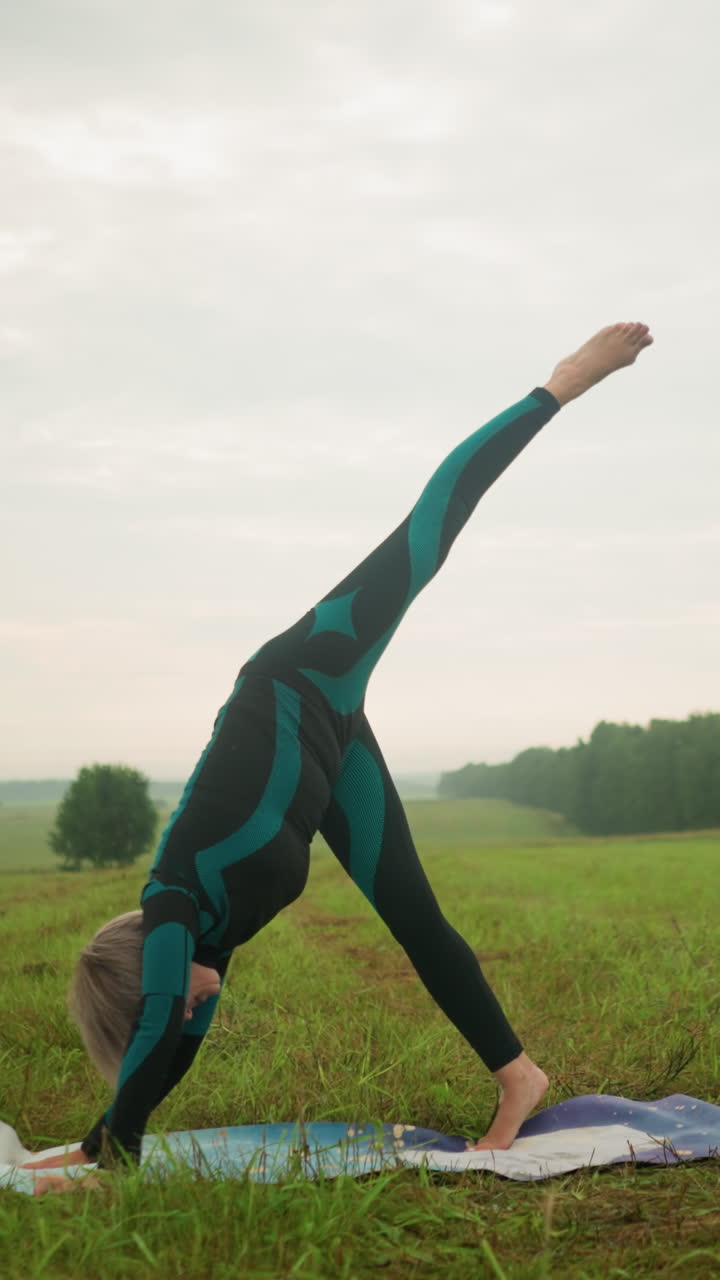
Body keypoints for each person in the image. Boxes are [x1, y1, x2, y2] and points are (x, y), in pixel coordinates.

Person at [54, 322, 653, 1187]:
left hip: (301, 674)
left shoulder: (174, 895)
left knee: (423, 539)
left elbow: (153, 1026)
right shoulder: (207, 945)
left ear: (150, 969)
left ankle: (561, 382)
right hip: (330, 748)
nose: (192, 1015)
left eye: (173, 1002)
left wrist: (112, 1153)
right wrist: (101, 1141)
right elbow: (164, 1050)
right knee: (415, 918)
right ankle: (519, 1075)